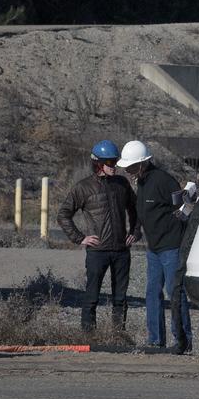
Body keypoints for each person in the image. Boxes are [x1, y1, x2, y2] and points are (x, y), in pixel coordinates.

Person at [117, 139, 196, 353]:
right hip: (154, 248)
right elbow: (143, 212)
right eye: (127, 168)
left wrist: (178, 223)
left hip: (171, 247)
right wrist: (136, 231)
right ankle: (155, 340)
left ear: (143, 163)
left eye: (132, 167)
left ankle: (183, 341)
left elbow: (187, 206)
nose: (129, 171)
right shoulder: (141, 183)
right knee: (152, 292)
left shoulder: (163, 181)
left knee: (174, 292)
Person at [57, 139, 139, 332]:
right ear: (98, 163)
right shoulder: (83, 187)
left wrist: (135, 232)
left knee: (120, 298)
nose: (114, 166)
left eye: (115, 161)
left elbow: (135, 209)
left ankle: (118, 335)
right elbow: (63, 215)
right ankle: (89, 337)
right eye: (110, 163)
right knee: (91, 297)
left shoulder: (122, 183)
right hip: (97, 252)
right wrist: (80, 238)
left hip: (121, 251)